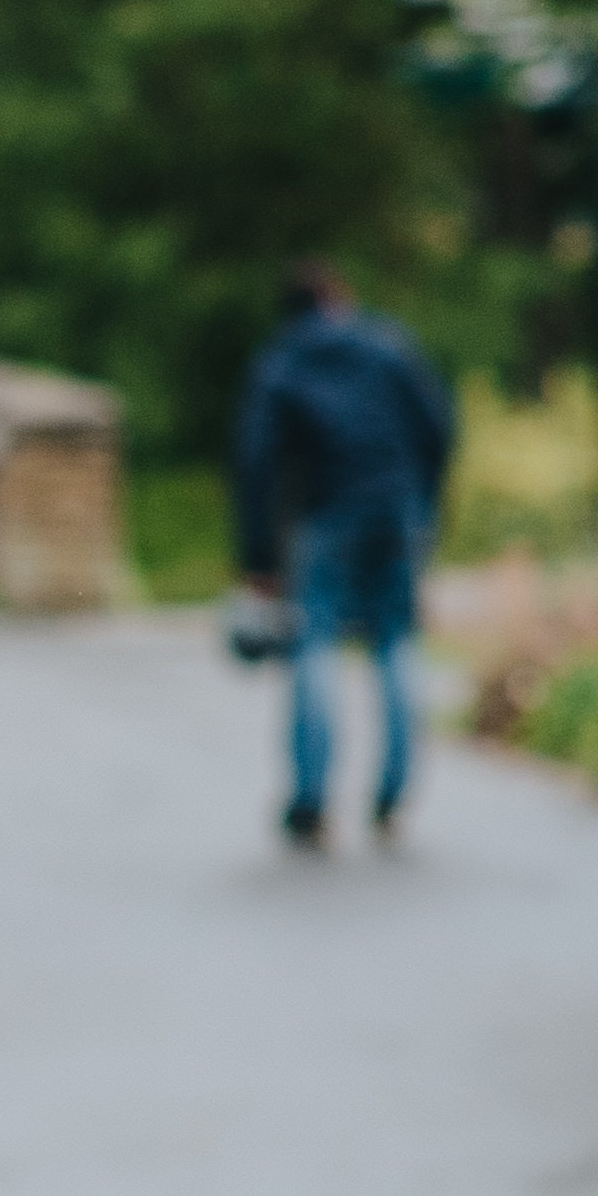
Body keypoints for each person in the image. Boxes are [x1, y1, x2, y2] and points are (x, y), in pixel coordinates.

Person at [230, 258, 455, 851]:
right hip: (396, 511)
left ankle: (311, 802)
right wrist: (424, 510)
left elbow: (256, 466)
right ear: (338, 297)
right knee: (396, 643)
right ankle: (393, 797)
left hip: (325, 516)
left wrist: (258, 561)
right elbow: (437, 426)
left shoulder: (282, 364)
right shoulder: (387, 346)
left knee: (315, 647)